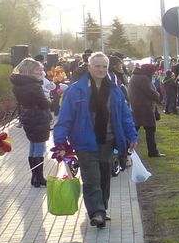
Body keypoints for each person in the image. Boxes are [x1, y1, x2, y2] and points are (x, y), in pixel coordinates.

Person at [53, 52, 139, 228]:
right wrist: (59, 140)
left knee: (105, 174)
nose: (101, 70)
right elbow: (65, 117)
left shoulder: (114, 90)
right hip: (84, 142)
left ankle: (102, 207)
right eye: (97, 66)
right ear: (89, 67)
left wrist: (132, 135)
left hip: (108, 141)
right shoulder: (76, 90)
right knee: (92, 177)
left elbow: (125, 116)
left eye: (104, 67)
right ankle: (97, 212)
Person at [10, 58, 52, 187]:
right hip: (38, 117)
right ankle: (39, 178)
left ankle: (35, 177)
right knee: (39, 147)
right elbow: (45, 104)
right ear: (29, 71)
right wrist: (49, 100)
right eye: (37, 70)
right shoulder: (34, 86)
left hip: (27, 116)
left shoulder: (18, 85)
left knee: (33, 146)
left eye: (41, 69)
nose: (40, 72)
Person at [127, 63, 164, 158]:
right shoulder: (143, 78)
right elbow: (151, 92)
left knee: (134, 128)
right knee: (150, 130)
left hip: (136, 106)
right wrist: (158, 95)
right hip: (144, 107)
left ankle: (126, 149)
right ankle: (152, 151)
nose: (154, 73)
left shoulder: (136, 76)